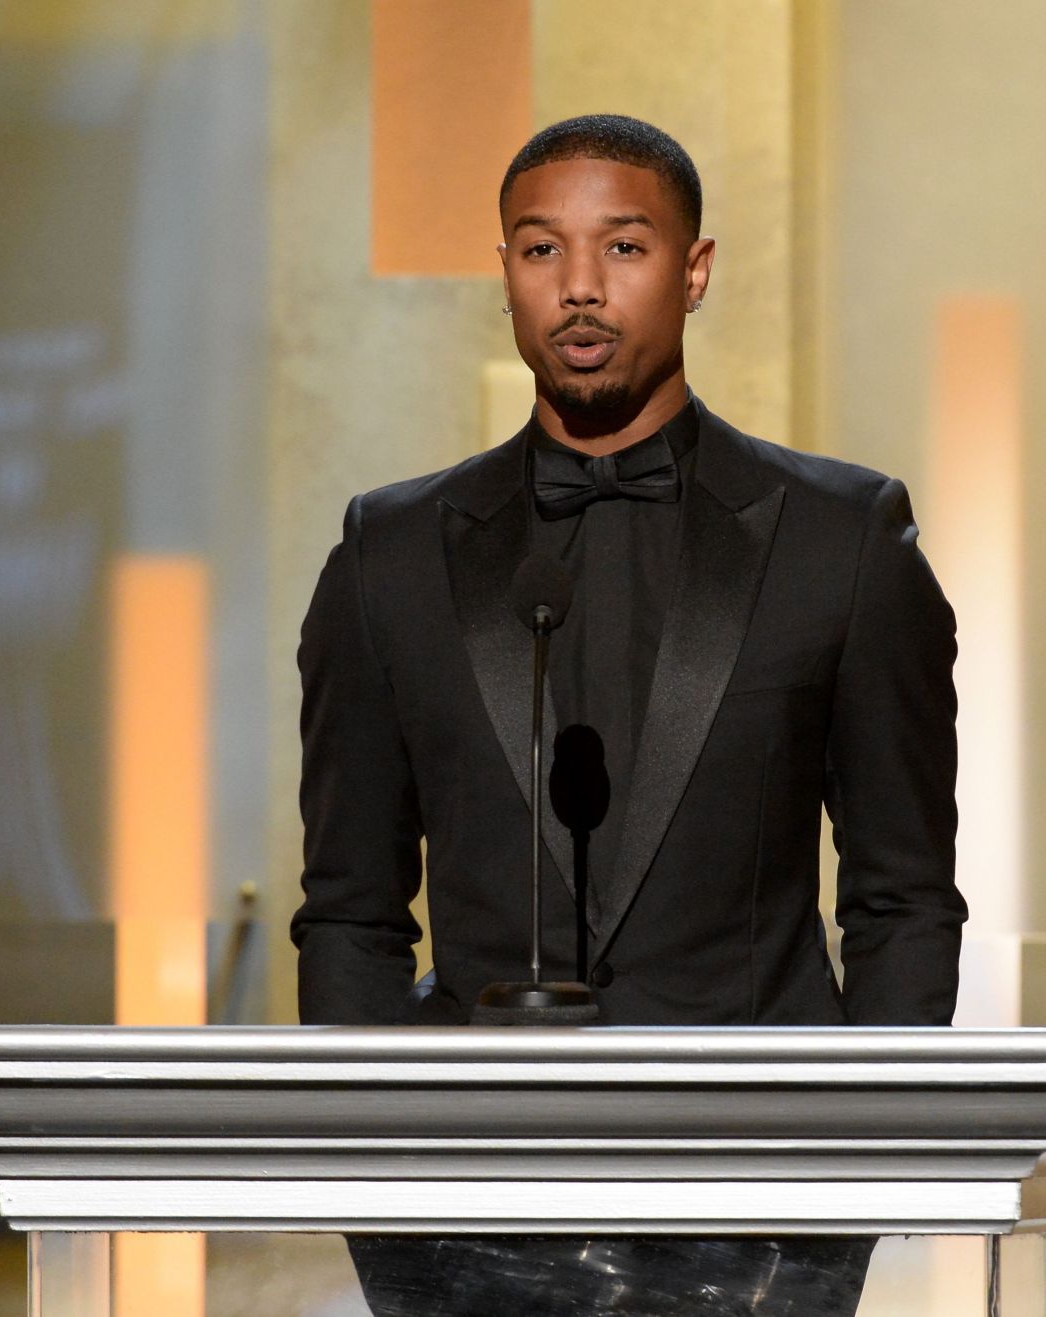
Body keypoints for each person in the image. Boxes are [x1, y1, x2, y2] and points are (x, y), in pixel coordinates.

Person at [291, 114, 964, 1316]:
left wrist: (868, 1158)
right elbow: (349, 905)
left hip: (760, 1198)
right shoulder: (389, 555)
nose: (581, 289)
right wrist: (371, 1171)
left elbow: (902, 891)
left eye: (625, 249)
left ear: (695, 271)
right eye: (541, 251)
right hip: (466, 1192)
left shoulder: (840, 543)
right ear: (503, 273)